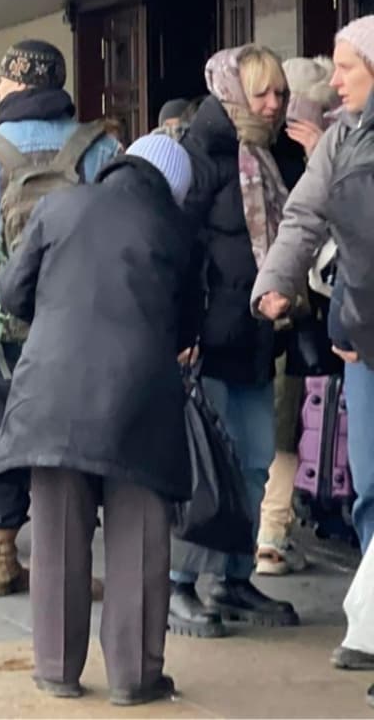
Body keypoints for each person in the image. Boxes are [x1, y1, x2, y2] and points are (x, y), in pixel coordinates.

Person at [0, 134, 197, 705]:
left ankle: (57, 668)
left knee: (56, 531)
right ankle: (134, 676)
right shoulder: (178, 230)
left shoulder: (59, 205)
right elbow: (190, 326)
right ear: (171, 188)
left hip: (51, 389)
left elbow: (11, 293)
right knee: (138, 536)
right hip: (140, 395)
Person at [0, 38, 120, 595]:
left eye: (2, 81)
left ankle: (0, 558)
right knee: (76, 441)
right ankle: (72, 568)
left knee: (0, 438)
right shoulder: (99, 148)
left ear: (17, 84)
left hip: (2, 326)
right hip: (83, 324)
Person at [170, 44, 306, 636]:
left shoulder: (273, 157)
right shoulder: (198, 155)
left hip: (254, 339)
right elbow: (178, 249)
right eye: (262, 93)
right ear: (233, 93)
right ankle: (178, 584)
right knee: (203, 468)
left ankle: (232, 577)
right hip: (205, 343)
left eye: (280, 92)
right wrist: (181, 329)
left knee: (253, 464)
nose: (274, 104)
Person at [252, 19, 374, 669]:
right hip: (361, 336)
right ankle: (372, 615)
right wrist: (276, 280)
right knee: (371, 481)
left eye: (347, 66)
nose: (336, 79)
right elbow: (304, 215)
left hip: (360, 326)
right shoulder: (341, 141)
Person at [254, 56, 342, 578]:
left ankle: (270, 531)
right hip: (302, 311)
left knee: (283, 423)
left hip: (279, 309)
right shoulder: (313, 156)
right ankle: (272, 531)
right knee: (287, 423)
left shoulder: (262, 153)